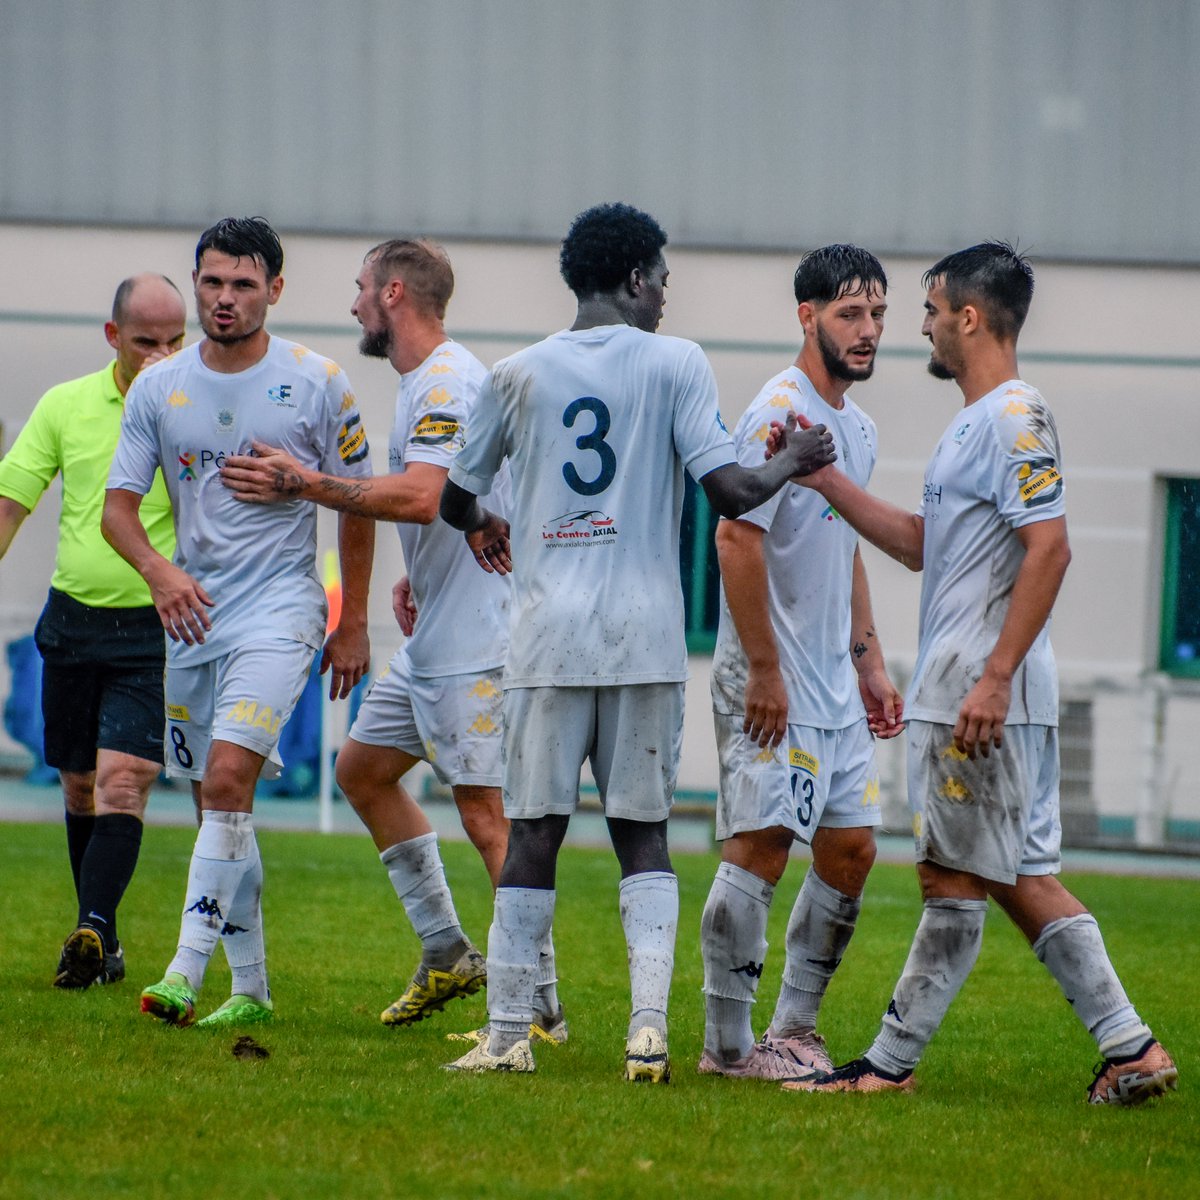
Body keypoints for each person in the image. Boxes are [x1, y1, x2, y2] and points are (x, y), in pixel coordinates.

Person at [438, 201, 837, 1080]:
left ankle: (508, 1036)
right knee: (642, 836)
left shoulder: (515, 373)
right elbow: (731, 491)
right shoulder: (675, 364)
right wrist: (792, 461)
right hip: (646, 638)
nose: (664, 298)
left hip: (545, 638)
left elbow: (454, 500)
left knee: (533, 831)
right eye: (660, 281)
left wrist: (488, 519)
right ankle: (647, 1032)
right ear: (631, 278)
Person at [783, 242, 1176, 1104]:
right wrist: (824, 480)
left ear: (967, 316)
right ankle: (1131, 1050)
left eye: (927, 309)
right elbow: (927, 550)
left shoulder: (1013, 415)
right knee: (1013, 877)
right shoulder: (974, 422)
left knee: (952, 877)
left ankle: (888, 1065)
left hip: (978, 692)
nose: (915, 325)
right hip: (980, 689)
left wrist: (994, 677)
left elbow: (1052, 547)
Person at [218, 239, 566, 1043]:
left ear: (395, 295)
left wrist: (304, 482)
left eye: (360, 289)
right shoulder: (424, 383)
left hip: (479, 641)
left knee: (486, 816)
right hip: (438, 630)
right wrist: (420, 571)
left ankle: (538, 1006)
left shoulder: (445, 377)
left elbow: (424, 493)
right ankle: (447, 950)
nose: (353, 306)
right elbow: (460, 501)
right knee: (362, 770)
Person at [102, 216, 375, 1030]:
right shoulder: (159, 385)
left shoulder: (319, 380)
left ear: (276, 290)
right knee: (217, 805)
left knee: (225, 781)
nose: (225, 299)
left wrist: (351, 619)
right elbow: (116, 511)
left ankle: (183, 973)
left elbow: (359, 505)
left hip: (281, 610)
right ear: (197, 285)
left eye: (243, 284)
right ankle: (250, 987)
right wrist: (160, 573)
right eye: (213, 282)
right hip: (192, 617)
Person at [700, 245, 904, 1081]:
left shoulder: (857, 428)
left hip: (830, 683)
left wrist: (870, 661)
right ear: (806, 315)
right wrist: (765, 669)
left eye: (879, 315)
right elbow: (733, 538)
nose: (867, 332)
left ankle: (793, 1031)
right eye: (850, 314)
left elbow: (843, 546)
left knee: (851, 849)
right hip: (772, 680)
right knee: (762, 846)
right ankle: (726, 1049)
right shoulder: (775, 411)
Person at [0, 274, 186, 989]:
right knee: (78, 786)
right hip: (73, 622)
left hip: (153, 626)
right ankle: (99, 940)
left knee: (123, 780)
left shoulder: (195, 408)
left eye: (177, 340)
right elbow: (12, 505)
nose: (163, 356)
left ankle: (95, 929)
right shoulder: (66, 405)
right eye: (147, 342)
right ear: (114, 338)